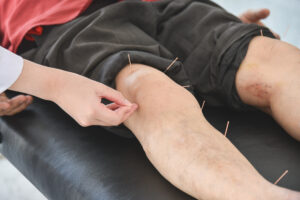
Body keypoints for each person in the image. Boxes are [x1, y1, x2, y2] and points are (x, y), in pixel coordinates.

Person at [2, 0, 300, 200]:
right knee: (147, 91)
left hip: (164, 5)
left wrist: (226, 22)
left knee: (271, 59)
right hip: (61, 22)